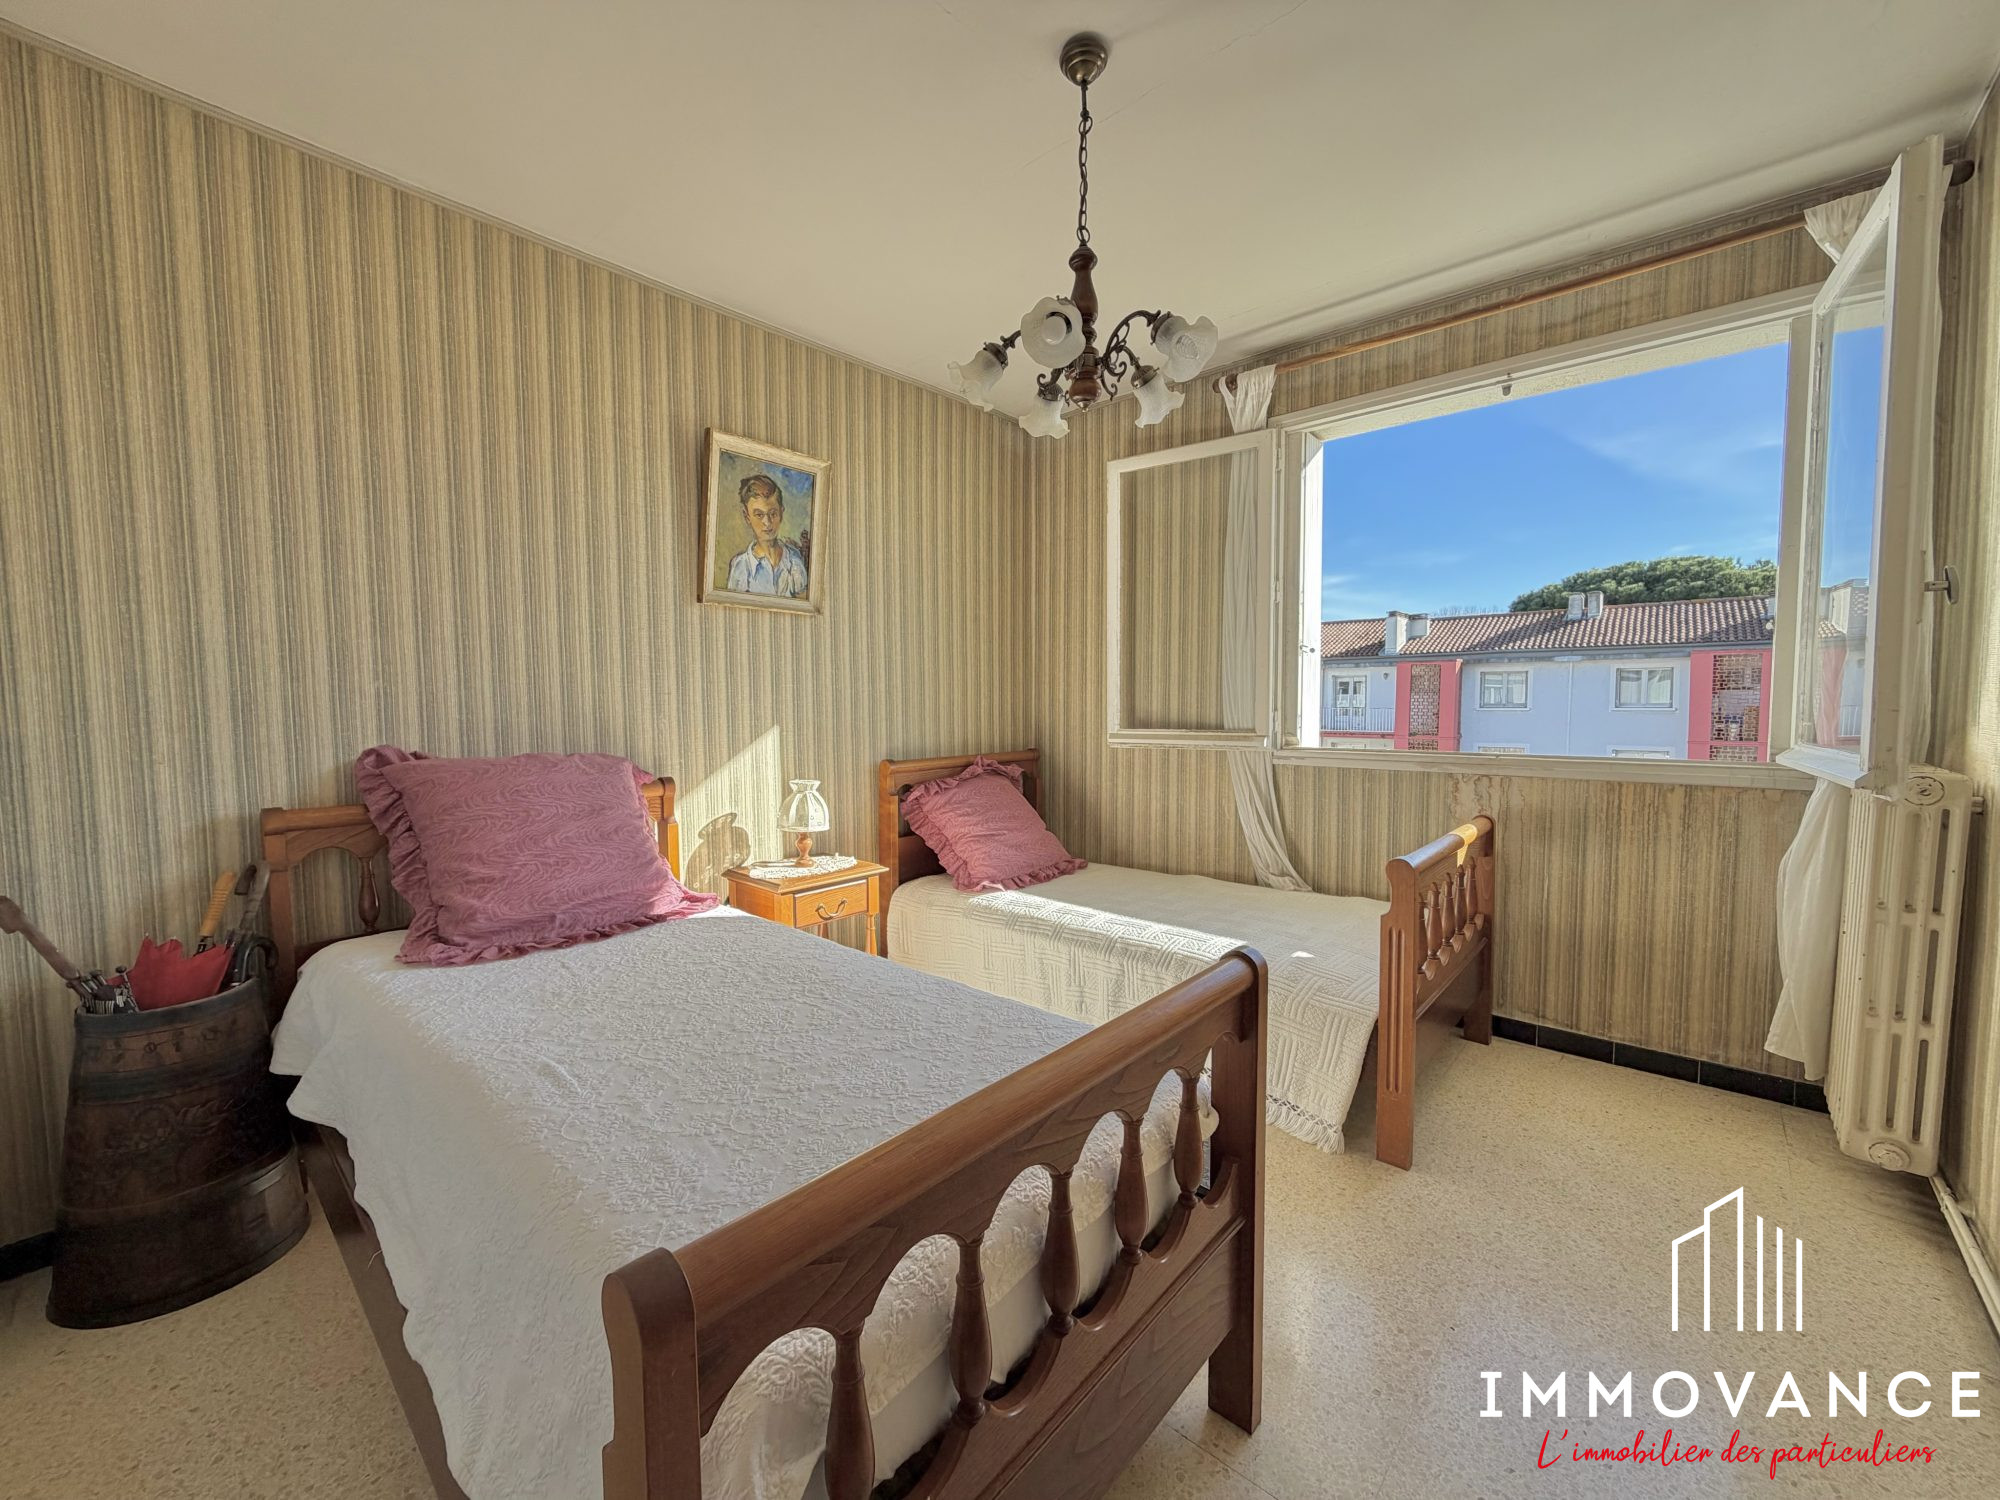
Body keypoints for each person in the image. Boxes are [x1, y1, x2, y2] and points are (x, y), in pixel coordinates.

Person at [724, 473, 809, 597]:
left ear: (781, 513)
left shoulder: (794, 560)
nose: (767, 522)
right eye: (759, 515)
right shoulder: (741, 566)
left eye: (773, 514)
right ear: (747, 517)